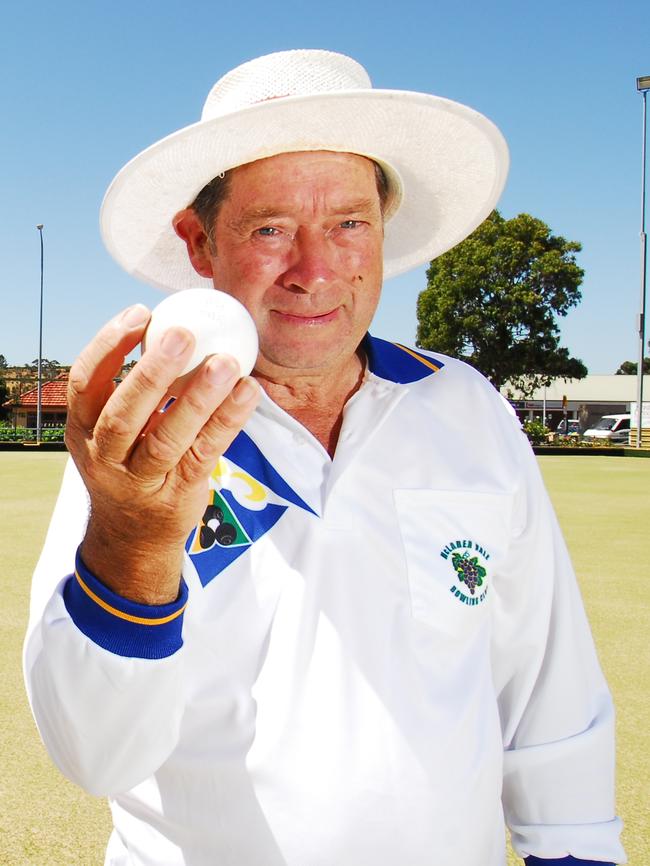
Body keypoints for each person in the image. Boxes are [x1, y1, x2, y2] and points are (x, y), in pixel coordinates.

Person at [23, 49, 625, 866]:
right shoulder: (139, 446)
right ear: (200, 245)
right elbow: (96, 755)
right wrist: (134, 542)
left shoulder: (467, 407)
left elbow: (547, 689)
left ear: (383, 231)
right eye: (270, 228)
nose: (315, 270)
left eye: (348, 223)